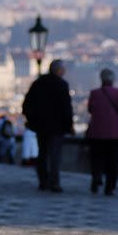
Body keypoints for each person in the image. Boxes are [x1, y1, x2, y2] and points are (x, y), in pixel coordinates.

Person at [22, 59, 74, 193]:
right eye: (63, 69)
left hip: (40, 126)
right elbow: (66, 108)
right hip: (57, 127)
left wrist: (31, 120)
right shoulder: (62, 85)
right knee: (55, 155)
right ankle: (54, 183)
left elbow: (26, 104)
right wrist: (69, 125)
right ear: (59, 71)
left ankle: (43, 181)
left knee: (42, 154)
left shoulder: (38, 83)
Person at [86, 68, 118, 196]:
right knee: (113, 161)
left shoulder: (94, 93)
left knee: (96, 158)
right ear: (113, 80)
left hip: (96, 132)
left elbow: (90, 109)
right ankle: (110, 187)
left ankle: (96, 179)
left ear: (101, 79)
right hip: (114, 132)